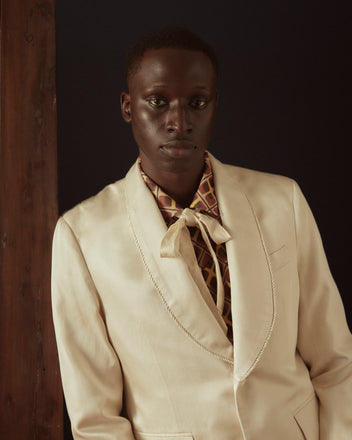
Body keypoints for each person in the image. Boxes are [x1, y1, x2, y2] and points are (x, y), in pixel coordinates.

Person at [51, 27, 352, 440]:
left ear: (214, 105)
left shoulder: (284, 201)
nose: (178, 121)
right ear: (127, 106)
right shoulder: (82, 236)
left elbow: (337, 361)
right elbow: (96, 420)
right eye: (157, 102)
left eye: (197, 102)